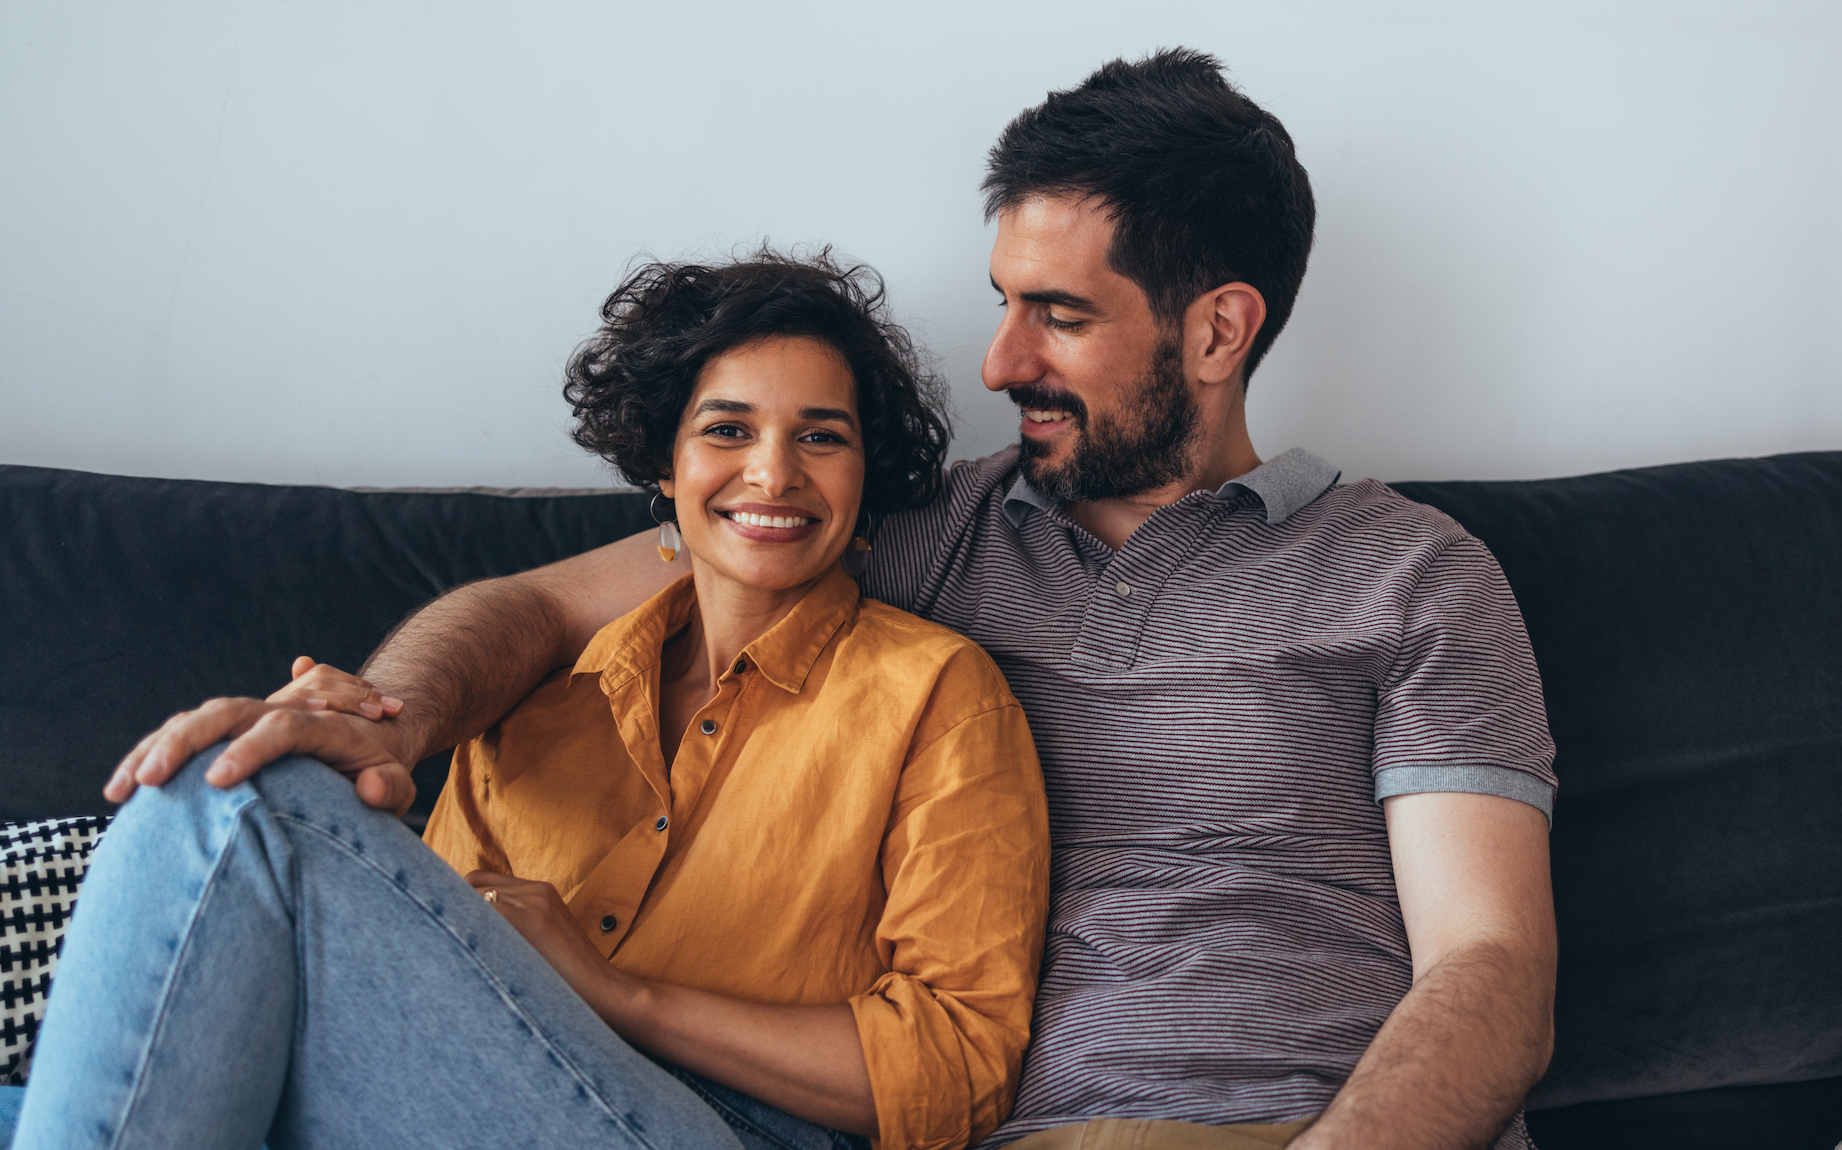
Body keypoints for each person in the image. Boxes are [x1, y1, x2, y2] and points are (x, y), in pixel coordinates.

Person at [99, 48, 1559, 1150]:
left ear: (1218, 328)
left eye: (1055, 314)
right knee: (237, 799)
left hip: (1286, 1127)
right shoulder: (923, 531)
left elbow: (1489, 964)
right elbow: (539, 610)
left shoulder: (1407, 575)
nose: (996, 361)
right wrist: (375, 725)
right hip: (985, 1132)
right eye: (1001, 301)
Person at [9, 252, 1052, 1150]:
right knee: (225, 791)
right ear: (665, 459)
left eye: (822, 436)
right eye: (727, 430)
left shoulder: (938, 695)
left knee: (239, 785)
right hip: (474, 1090)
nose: (773, 472)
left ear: (867, 473)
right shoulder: (542, 691)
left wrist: (618, 996)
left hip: (736, 1128)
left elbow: (959, 1067)